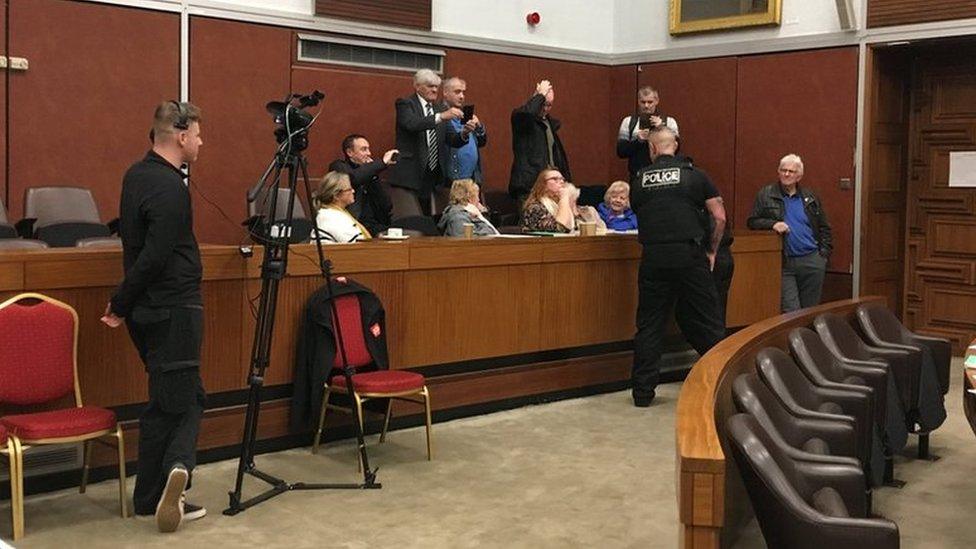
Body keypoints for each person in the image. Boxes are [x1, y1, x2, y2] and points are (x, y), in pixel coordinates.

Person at [100, 101, 208, 532]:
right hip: (175, 306)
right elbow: (156, 254)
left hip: (146, 311)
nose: (201, 142)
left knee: (164, 401)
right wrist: (119, 301)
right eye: (198, 135)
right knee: (188, 399)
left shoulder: (135, 176)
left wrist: (125, 303)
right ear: (181, 137)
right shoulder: (170, 188)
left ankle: (148, 497)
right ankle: (177, 473)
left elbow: (134, 245)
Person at [630, 127, 726, 407]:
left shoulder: (639, 180)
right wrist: (711, 250)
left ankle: (642, 393)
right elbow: (719, 216)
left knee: (649, 325)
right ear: (676, 145)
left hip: (653, 256)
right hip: (688, 254)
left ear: (652, 149)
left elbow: (641, 212)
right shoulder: (695, 175)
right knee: (708, 321)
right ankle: (721, 383)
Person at [747, 154, 832, 313]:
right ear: (778, 172)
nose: (786, 174)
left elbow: (824, 227)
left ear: (799, 176)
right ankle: (793, 338)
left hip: (812, 260)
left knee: (810, 311)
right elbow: (752, 222)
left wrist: (823, 256)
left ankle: (807, 338)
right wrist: (773, 224)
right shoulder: (766, 194)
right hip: (784, 262)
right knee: (791, 310)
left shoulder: (810, 197)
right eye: (783, 170)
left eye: (791, 172)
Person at [393, 69, 464, 214]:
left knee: (432, 218)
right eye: (430, 86)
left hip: (434, 175)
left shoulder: (440, 108)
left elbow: (452, 139)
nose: (434, 90)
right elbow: (412, 124)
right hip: (412, 175)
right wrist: (441, 117)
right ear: (417, 86)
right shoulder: (406, 104)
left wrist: (466, 132)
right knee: (413, 219)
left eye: (436, 87)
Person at [509, 79, 571, 208]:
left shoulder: (549, 124)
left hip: (550, 187)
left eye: (549, 105)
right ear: (535, 99)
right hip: (528, 186)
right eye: (542, 103)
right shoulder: (520, 117)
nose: (545, 109)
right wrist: (540, 94)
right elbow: (528, 114)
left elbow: (557, 157)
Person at [328, 134, 396, 236]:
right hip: (350, 226)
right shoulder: (338, 167)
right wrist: (382, 163)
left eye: (368, 149)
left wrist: (374, 177)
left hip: (375, 227)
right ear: (349, 152)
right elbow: (354, 179)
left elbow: (386, 206)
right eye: (364, 149)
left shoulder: (370, 171)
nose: (369, 153)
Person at [616, 86, 680, 180]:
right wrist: (638, 141)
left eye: (650, 102)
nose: (646, 106)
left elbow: (677, 148)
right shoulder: (628, 122)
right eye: (643, 102)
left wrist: (662, 129)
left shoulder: (669, 122)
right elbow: (621, 151)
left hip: (663, 174)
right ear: (638, 101)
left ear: (656, 101)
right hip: (637, 174)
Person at [521, 170, 602, 233]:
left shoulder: (561, 205)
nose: (561, 182)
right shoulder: (535, 207)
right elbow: (561, 228)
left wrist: (572, 205)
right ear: (543, 185)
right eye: (555, 179)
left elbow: (577, 229)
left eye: (562, 179)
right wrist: (564, 197)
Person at [441, 77, 487, 184]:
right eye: (457, 92)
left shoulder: (465, 115)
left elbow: (482, 142)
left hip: (471, 179)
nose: (462, 96)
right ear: (445, 93)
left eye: (463, 92)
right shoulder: (439, 114)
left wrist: (478, 126)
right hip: (450, 180)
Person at [311, 171, 372, 243]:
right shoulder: (331, 217)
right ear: (336, 196)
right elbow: (356, 245)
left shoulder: (335, 213)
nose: (353, 191)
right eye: (349, 189)